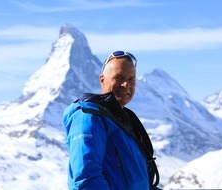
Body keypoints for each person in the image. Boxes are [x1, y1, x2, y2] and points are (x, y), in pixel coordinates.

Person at [63, 51, 160, 189]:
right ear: (102, 80)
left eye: (131, 80)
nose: (126, 85)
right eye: (119, 77)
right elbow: (86, 180)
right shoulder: (88, 117)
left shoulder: (122, 120)